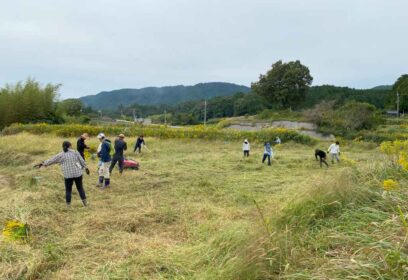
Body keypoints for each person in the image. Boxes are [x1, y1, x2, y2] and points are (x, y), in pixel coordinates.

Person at [36, 141, 89, 207]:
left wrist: (43, 164)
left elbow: (52, 160)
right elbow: (82, 161)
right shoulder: (75, 152)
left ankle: (68, 206)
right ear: (70, 146)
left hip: (68, 175)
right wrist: (86, 168)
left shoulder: (61, 154)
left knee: (68, 190)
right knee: (80, 188)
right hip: (78, 173)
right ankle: (85, 204)